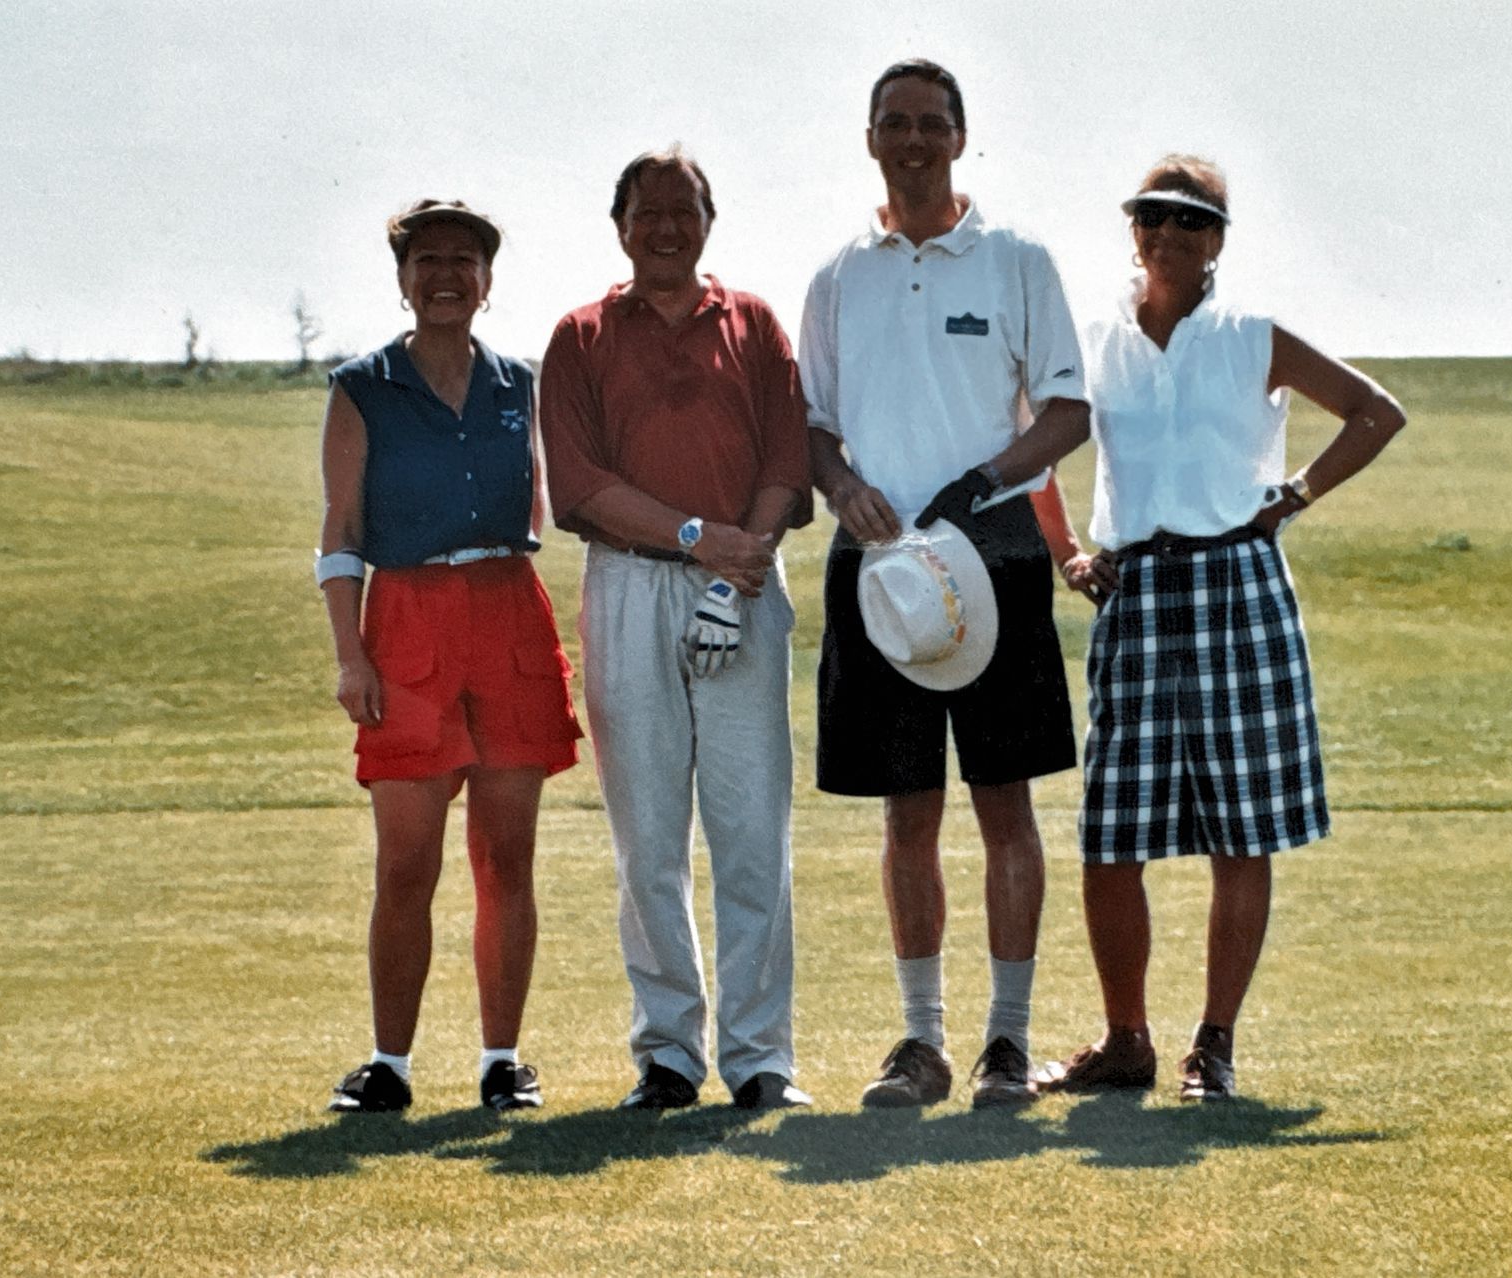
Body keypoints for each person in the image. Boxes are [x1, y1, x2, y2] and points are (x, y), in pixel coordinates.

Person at [1036, 156, 1407, 1101]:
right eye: (1152, 216)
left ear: (1218, 241)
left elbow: (1376, 413)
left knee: (1241, 832)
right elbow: (1032, 443)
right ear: (1133, 228)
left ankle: (1215, 1044)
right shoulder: (1094, 339)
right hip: (1134, 589)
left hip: (1238, 582)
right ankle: (1126, 1040)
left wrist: (1295, 495)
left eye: (1191, 220)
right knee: (1111, 834)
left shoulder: (1252, 336)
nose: (1168, 234)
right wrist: (1067, 554)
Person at [799, 59, 1092, 1109]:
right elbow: (813, 426)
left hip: (996, 557)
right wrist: (841, 488)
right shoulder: (838, 276)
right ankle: (920, 1044)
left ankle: (1006, 1043)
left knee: (1004, 804)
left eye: (931, 123)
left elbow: (1067, 411)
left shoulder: (1016, 259)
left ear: (960, 137)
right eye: (895, 123)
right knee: (907, 811)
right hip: (880, 567)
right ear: (871, 138)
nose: (913, 140)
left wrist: (984, 482)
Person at [541, 147, 815, 1111]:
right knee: (649, 837)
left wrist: (738, 561)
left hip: (743, 581)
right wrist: (700, 539)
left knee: (751, 833)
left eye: (682, 210)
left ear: (709, 220)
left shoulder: (754, 322)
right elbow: (581, 485)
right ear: (620, 225)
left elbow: (786, 460)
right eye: (646, 212)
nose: (665, 227)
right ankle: (667, 1054)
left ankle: (760, 1057)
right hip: (631, 584)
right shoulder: (580, 335)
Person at [316, 199, 583, 1115]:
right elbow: (341, 529)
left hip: (508, 615)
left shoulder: (517, 383)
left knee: (507, 859)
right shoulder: (362, 387)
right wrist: (351, 654)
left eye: (463, 261)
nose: (445, 277)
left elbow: (540, 505)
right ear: (402, 278)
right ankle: (389, 1064)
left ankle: (502, 1061)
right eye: (426, 260)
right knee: (406, 865)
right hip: (408, 622)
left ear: (487, 279)